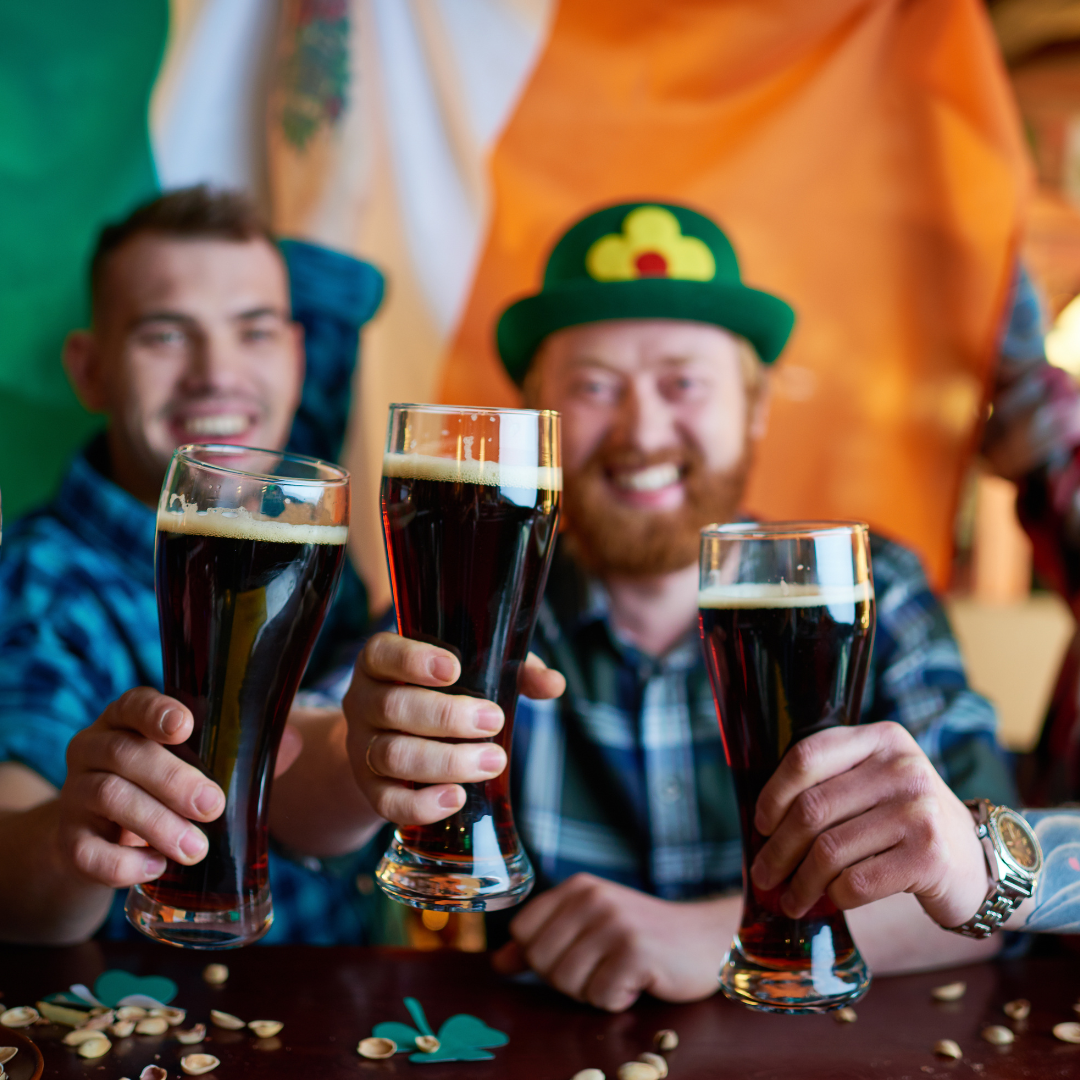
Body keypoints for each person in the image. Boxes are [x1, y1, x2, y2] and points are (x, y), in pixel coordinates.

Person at [337, 202, 1018, 1010]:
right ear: (538, 420)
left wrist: (716, 935)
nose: (642, 430)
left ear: (756, 408)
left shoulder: (871, 586)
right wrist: (358, 751)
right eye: (595, 386)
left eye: (683, 383)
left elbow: (988, 884)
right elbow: (306, 789)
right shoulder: (466, 587)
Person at [0, 185, 385, 945]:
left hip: (349, 999)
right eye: (166, 335)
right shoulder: (37, 582)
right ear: (89, 370)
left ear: (298, 356)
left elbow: (331, 310)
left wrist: (372, 749)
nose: (218, 373)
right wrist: (74, 838)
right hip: (143, 1002)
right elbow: (13, 870)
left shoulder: (303, 499)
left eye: (254, 331)